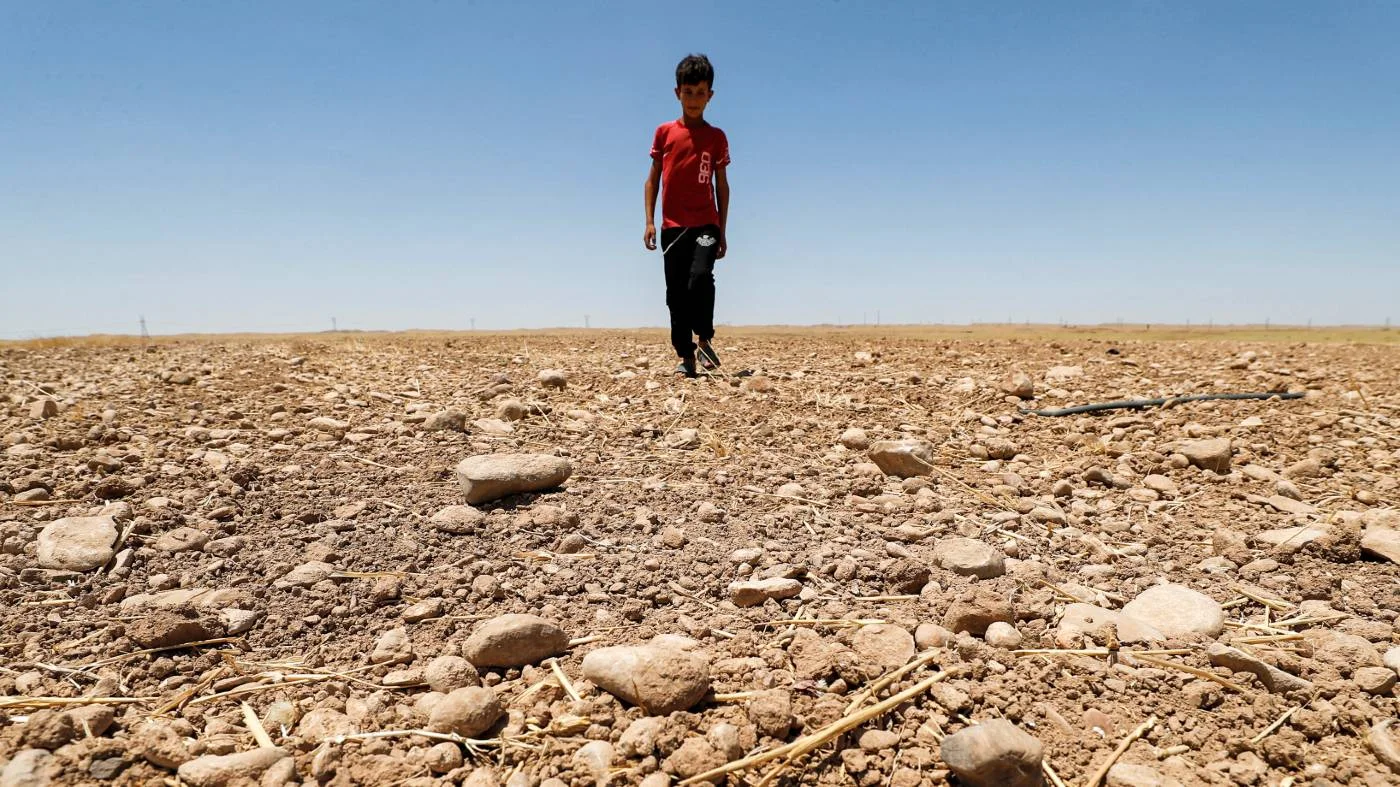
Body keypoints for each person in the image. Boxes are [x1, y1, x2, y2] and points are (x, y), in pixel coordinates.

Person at [644, 53, 731, 378]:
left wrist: (722, 229)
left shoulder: (716, 137)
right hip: (672, 227)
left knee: (700, 277)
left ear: (710, 96)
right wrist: (650, 221)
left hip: (706, 223)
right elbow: (652, 179)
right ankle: (686, 356)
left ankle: (705, 338)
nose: (694, 99)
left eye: (701, 93)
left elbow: (722, 186)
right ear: (677, 92)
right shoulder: (664, 133)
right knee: (675, 294)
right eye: (688, 91)